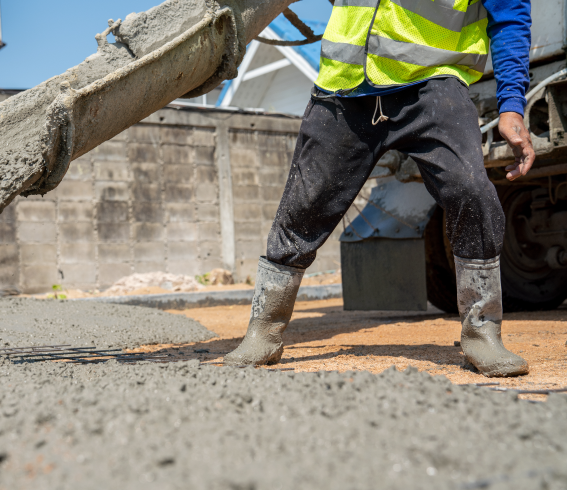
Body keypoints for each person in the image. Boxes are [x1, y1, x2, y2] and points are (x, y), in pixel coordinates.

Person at [224, 0, 534, 377]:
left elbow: (511, 16)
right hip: (344, 88)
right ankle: (264, 330)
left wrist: (511, 106)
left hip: (431, 84)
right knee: (302, 208)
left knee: (472, 191)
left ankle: (482, 334)